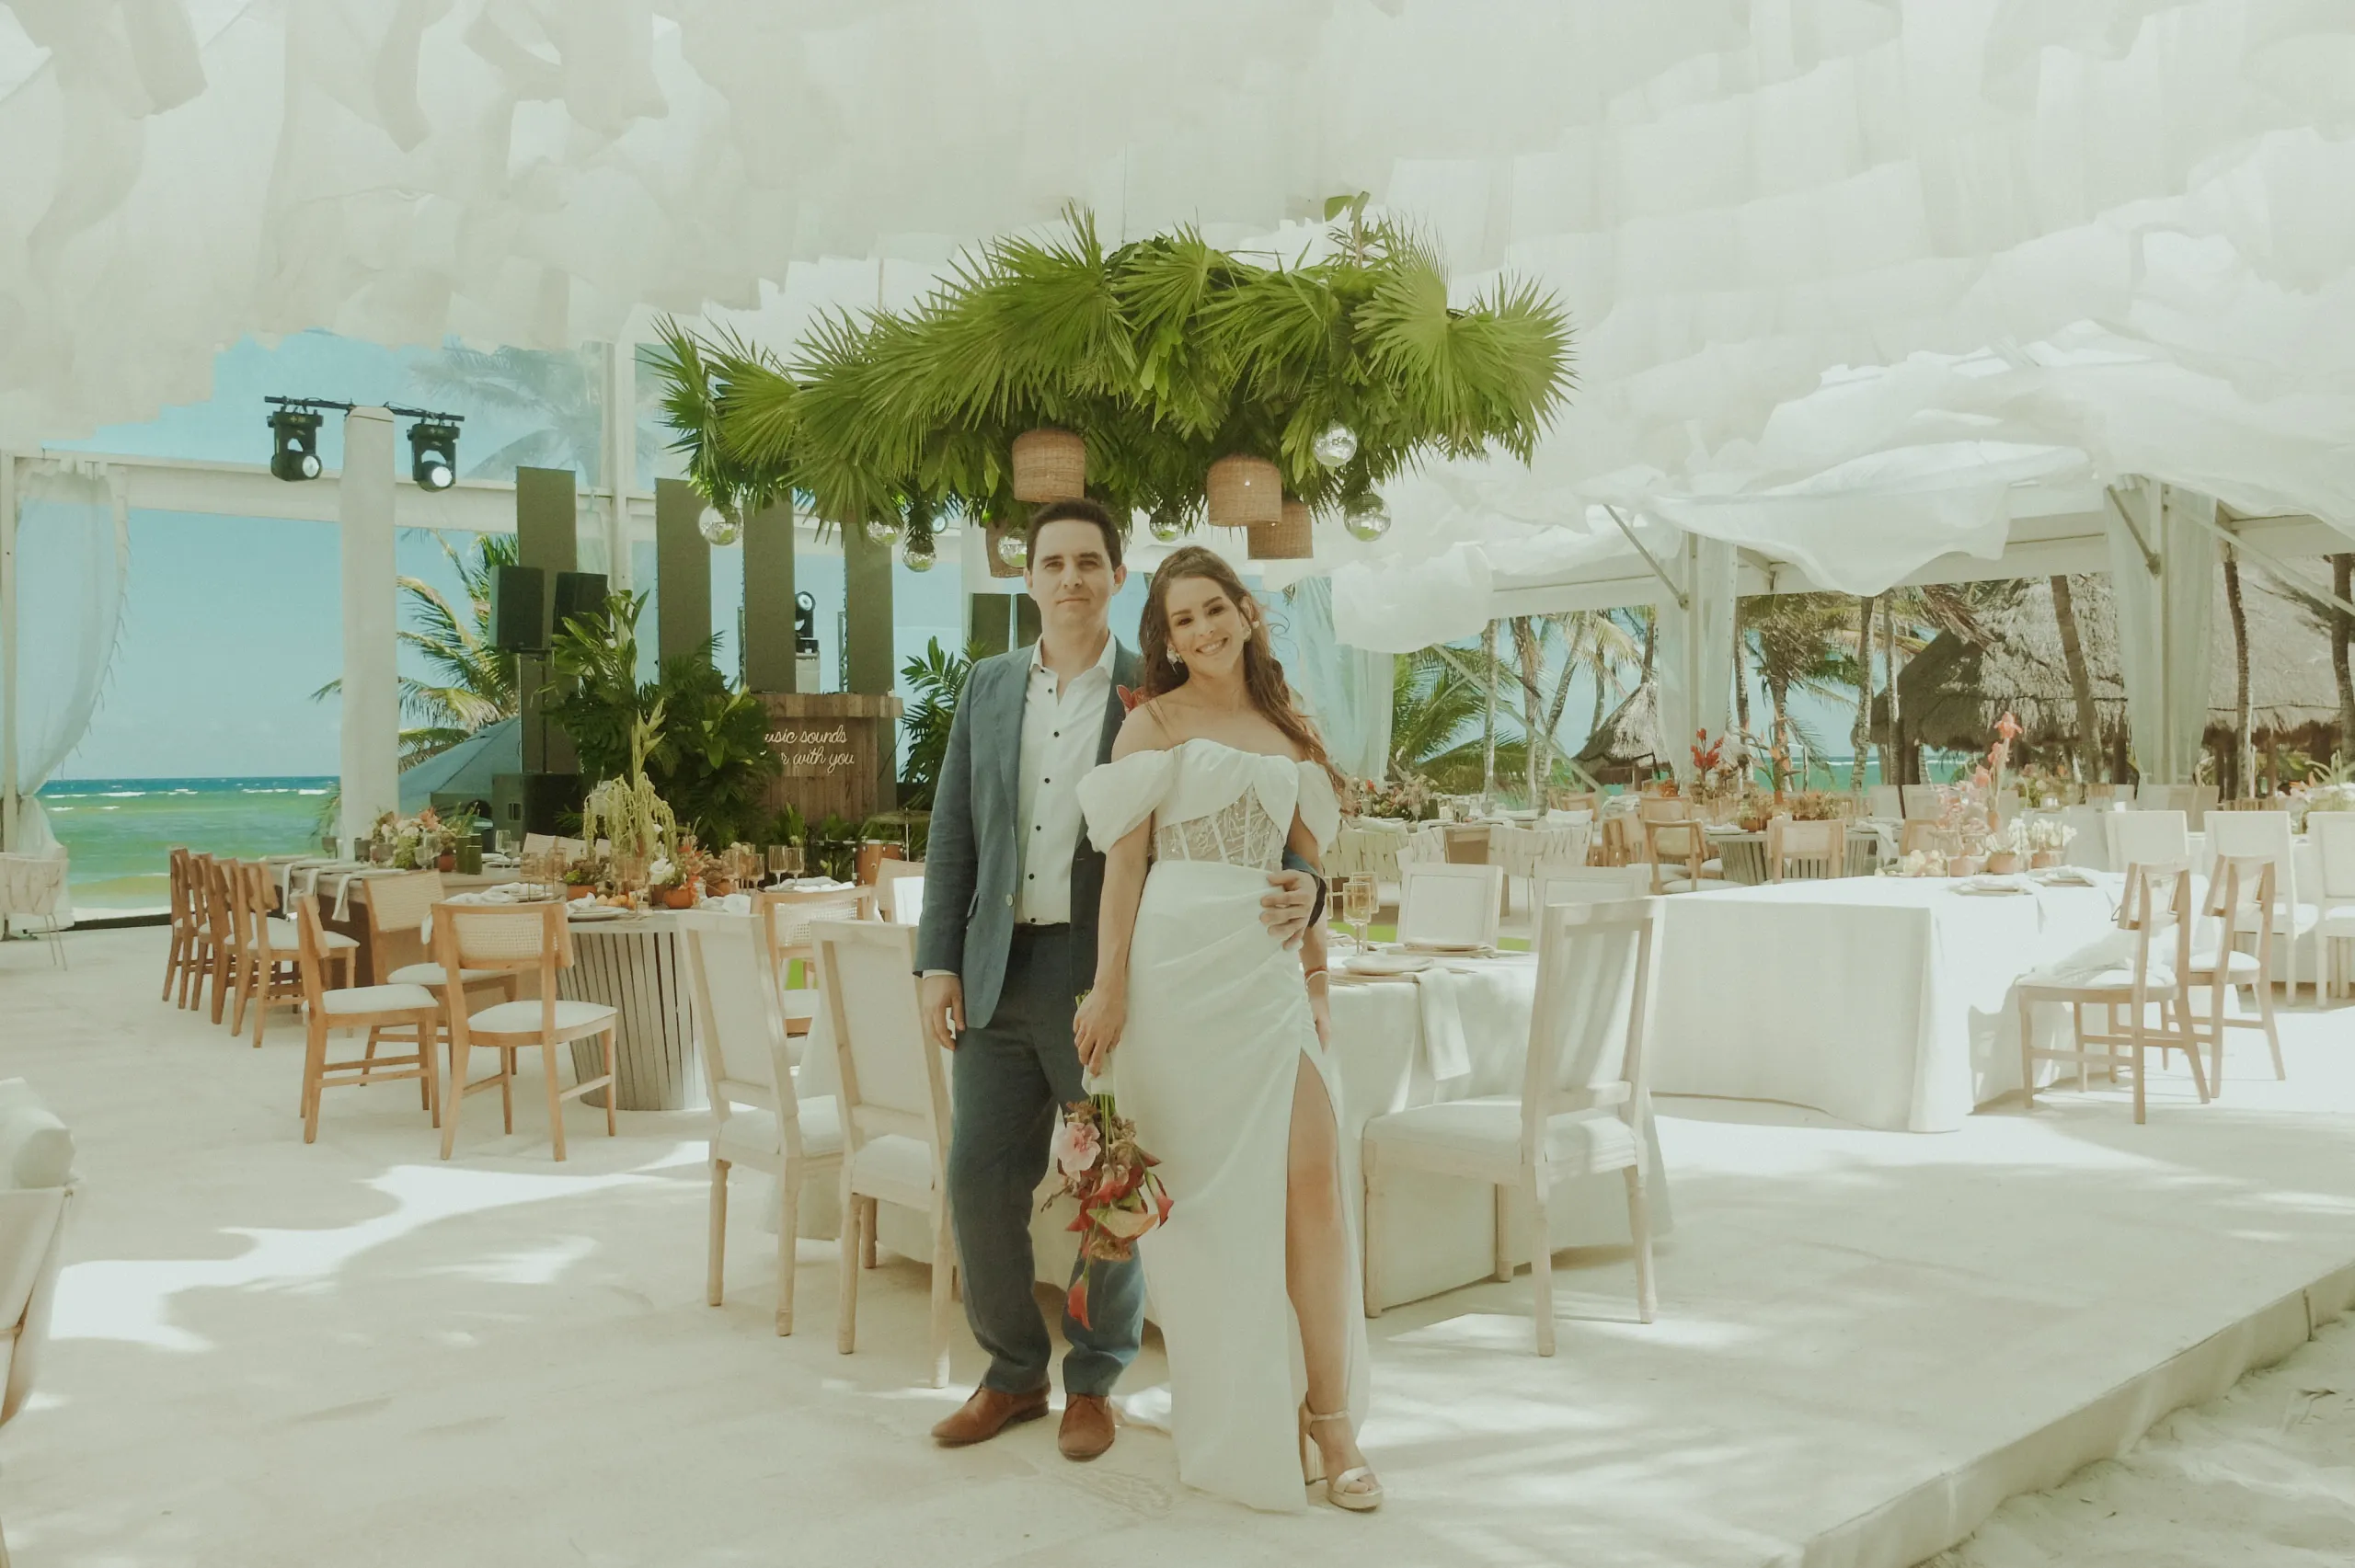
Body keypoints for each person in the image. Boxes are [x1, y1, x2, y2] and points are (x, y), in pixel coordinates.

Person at [915, 500, 1325, 1462]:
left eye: (1088, 561)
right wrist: (938, 958)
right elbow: (953, 831)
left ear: (1115, 574)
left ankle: (1095, 1380)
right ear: (1028, 577)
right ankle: (1013, 1372)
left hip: (1110, 971)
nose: (1071, 577)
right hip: (996, 968)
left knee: (1113, 1177)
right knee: (977, 1173)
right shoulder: (986, 686)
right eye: (1053, 561)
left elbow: (1257, 802)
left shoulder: (1158, 690)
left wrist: (1307, 888)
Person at [1072, 544, 1380, 1513]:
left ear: (1246, 611)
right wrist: (1107, 988)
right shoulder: (1150, 723)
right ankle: (1243, 1410)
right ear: (1165, 640)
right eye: (1181, 620)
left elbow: (1309, 867)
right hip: (1173, 978)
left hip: (1266, 976)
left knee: (1314, 1187)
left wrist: (1313, 925)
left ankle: (1333, 1420)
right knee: (1207, 1215)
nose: (1202, 630)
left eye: (1214, 609)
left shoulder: (1290, 729)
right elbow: (1124, 866)